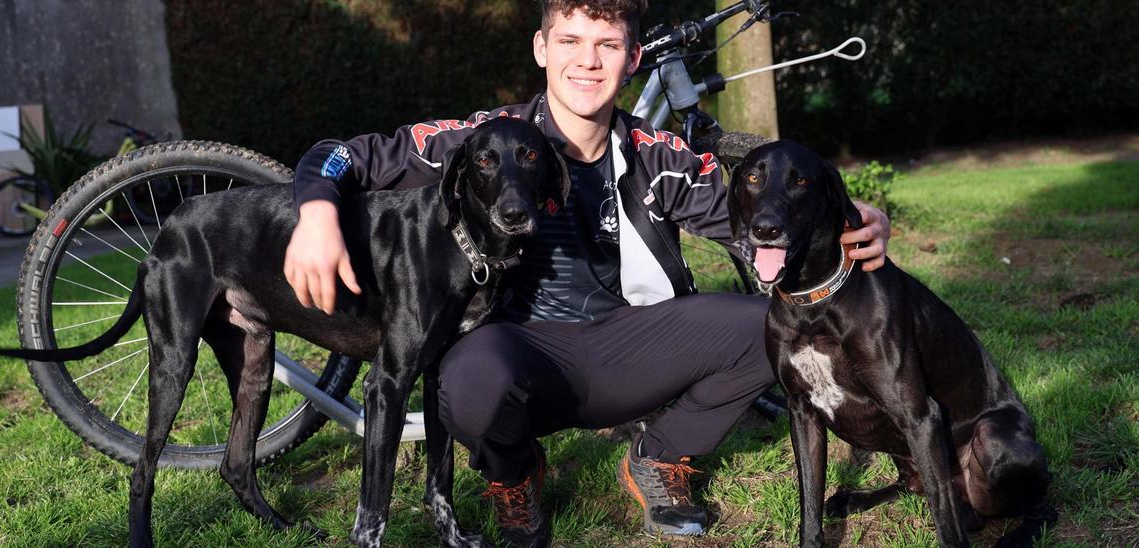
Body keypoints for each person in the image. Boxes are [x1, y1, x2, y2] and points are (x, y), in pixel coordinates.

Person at [285, 1, 890, 545]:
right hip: (510, 348)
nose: (588, 61)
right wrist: (315, 214)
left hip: (626, 348)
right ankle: (511, 472)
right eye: (570, 40)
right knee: (467, 383)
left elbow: (759, 211)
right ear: (542, 48)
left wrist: (852, 217)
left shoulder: (657, 155)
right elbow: (341, 155)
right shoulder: (484, 141)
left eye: (607, 45)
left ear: (631, 61)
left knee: (771, 325)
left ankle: (661, 456)